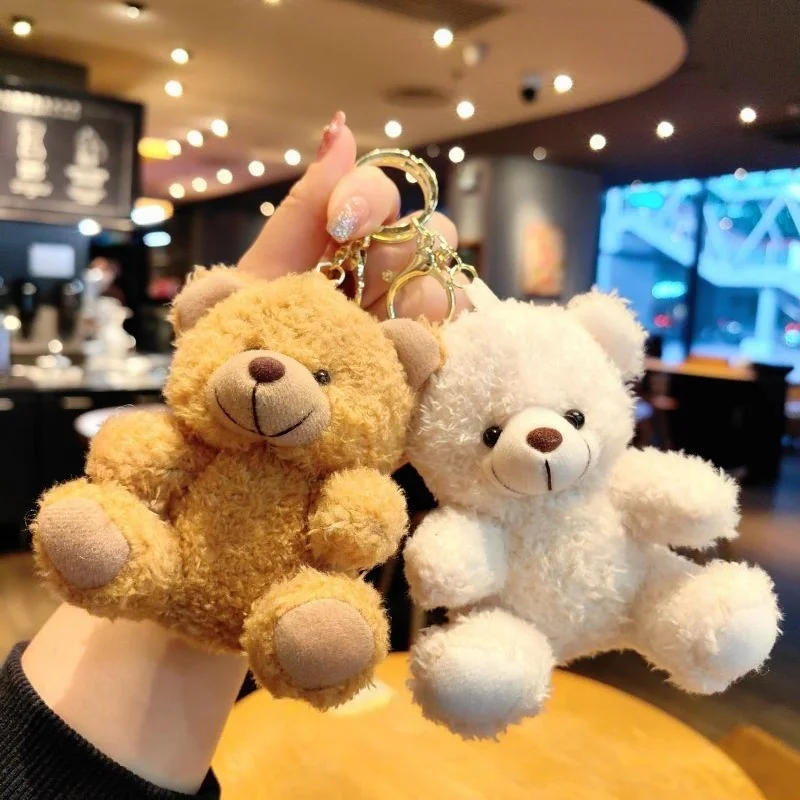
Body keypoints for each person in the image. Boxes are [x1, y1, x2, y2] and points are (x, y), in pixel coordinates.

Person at [0, 113, 467, 800]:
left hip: (272, 595)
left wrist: (360, 508)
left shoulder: (340, 459)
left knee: (317, 610)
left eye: (323, 377)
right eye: (250, 350)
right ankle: (120, 553)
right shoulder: (201, 435)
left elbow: (362, 521)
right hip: (165, 576)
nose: (269, 373)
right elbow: (137, 453)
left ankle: (310, 627)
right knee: (119, 531)